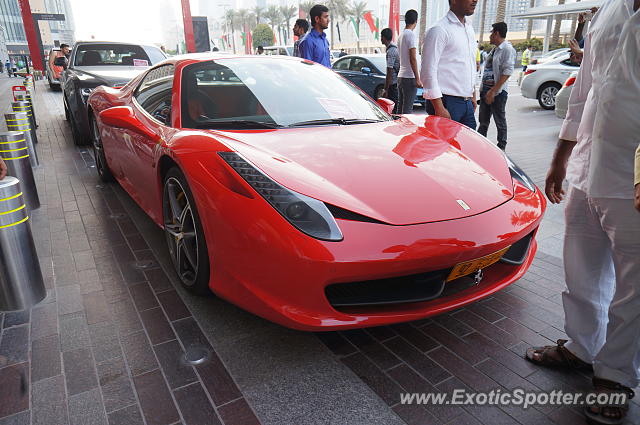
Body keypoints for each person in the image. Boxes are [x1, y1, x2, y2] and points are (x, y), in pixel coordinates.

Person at [526, 1, 640, 424]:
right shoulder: (608, 10)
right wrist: (560, 155)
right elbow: (585, 89)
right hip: (589, 167)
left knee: (635, 286)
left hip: (634, 174)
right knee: (580, 269)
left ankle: (616, 375)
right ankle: (582, 348)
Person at [420, 0, 477, 129]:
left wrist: (473, 94)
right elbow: (428, 71)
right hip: (446, 103)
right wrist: (439, 107)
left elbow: (469, 64)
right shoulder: (439, 29)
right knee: (443, 148)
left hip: (466, 102)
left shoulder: (469, 29)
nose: (475, 0)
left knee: (468, 148)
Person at [477, 22, 516, 151]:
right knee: (483, 121)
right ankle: (480, 146)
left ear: (497, 33)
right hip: (486, 91)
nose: (490, 36)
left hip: (497, 93)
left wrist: (493, 91)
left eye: (491, 33)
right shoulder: (495, 49)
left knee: (499, 120)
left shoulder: (507, 49)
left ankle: (501, 147)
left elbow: (507, 71)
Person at [397, 9, 421, 114]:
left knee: (400, 108)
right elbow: (413, 58)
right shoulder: (410, 35)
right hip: (409, 77)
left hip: (401, 76)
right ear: (416, 21)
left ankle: (398, 129)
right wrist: (418, 78)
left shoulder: (401, 35)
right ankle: (405, 130)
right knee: (407, 110)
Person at [380, 28, 400, 112]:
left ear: (384, 38)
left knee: (392, 108)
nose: (380, 39)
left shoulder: (391, 51)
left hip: (393, 84)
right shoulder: (394, 48)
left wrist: (386, 89)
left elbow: (389, 71)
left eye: (381, 37)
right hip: (396, 83)